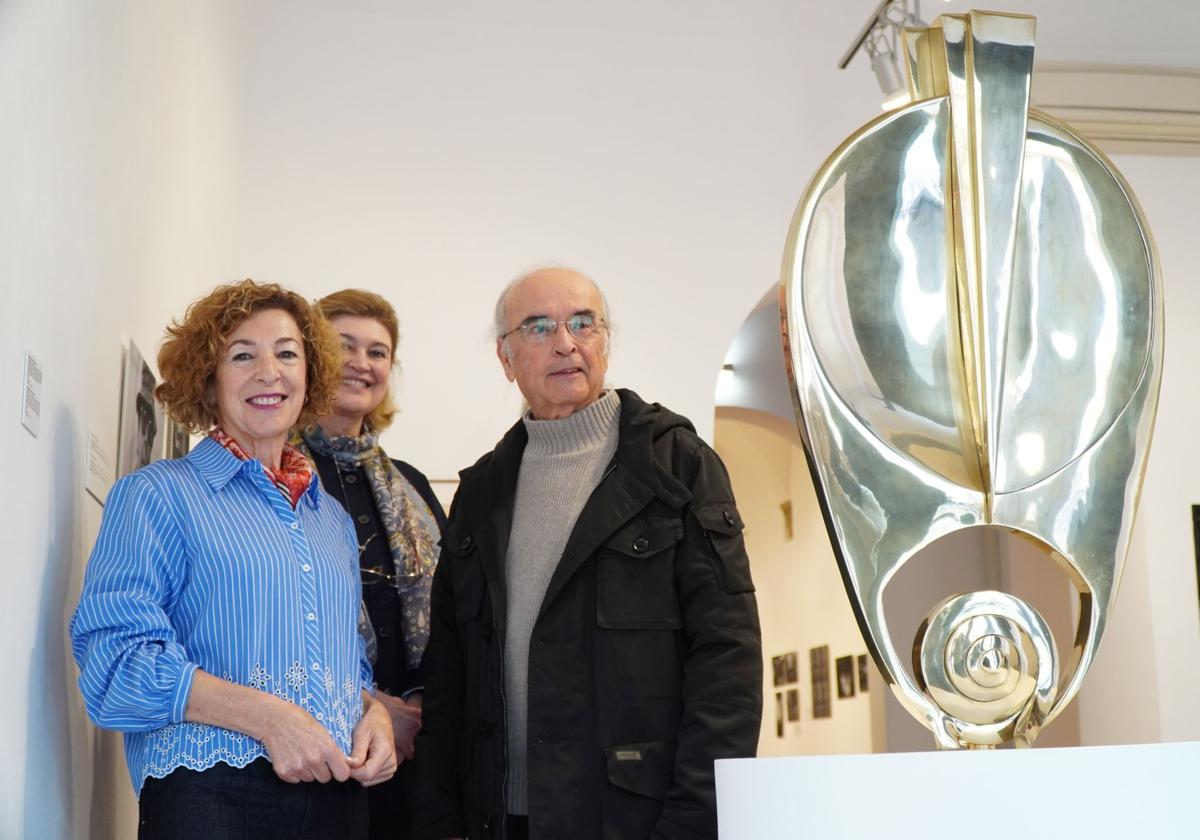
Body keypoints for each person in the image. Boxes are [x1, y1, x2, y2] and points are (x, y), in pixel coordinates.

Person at [415, 266, 763, 840]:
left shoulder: (676, 467)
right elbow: (449, 678)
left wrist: (693, 821)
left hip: (634, 818)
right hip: (498, 818)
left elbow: (727, 661)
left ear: (605, 341)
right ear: (505, 358)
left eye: (584, 323)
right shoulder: (479, 492)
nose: (565, 342)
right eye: (538, 326)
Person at [70, 280, 396, 840]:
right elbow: (114, 665)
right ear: (209, 379)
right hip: (211, 802)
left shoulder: (332, 522)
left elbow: (347, 665)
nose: (269, 372)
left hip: (339, 805)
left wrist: (375, 715)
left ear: (311, 373)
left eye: (287, 353)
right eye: (242, 355)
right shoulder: (156, 496)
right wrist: (269, 719)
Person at [292, 289, 447, 840]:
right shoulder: (275, 473)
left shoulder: (414, 486)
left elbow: (455, 608)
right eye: (344, 347)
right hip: (312, 745)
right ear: (311, 358)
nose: (361, 363)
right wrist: (373, 706)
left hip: (412, 755)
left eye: (378, 352)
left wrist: (416, 707)